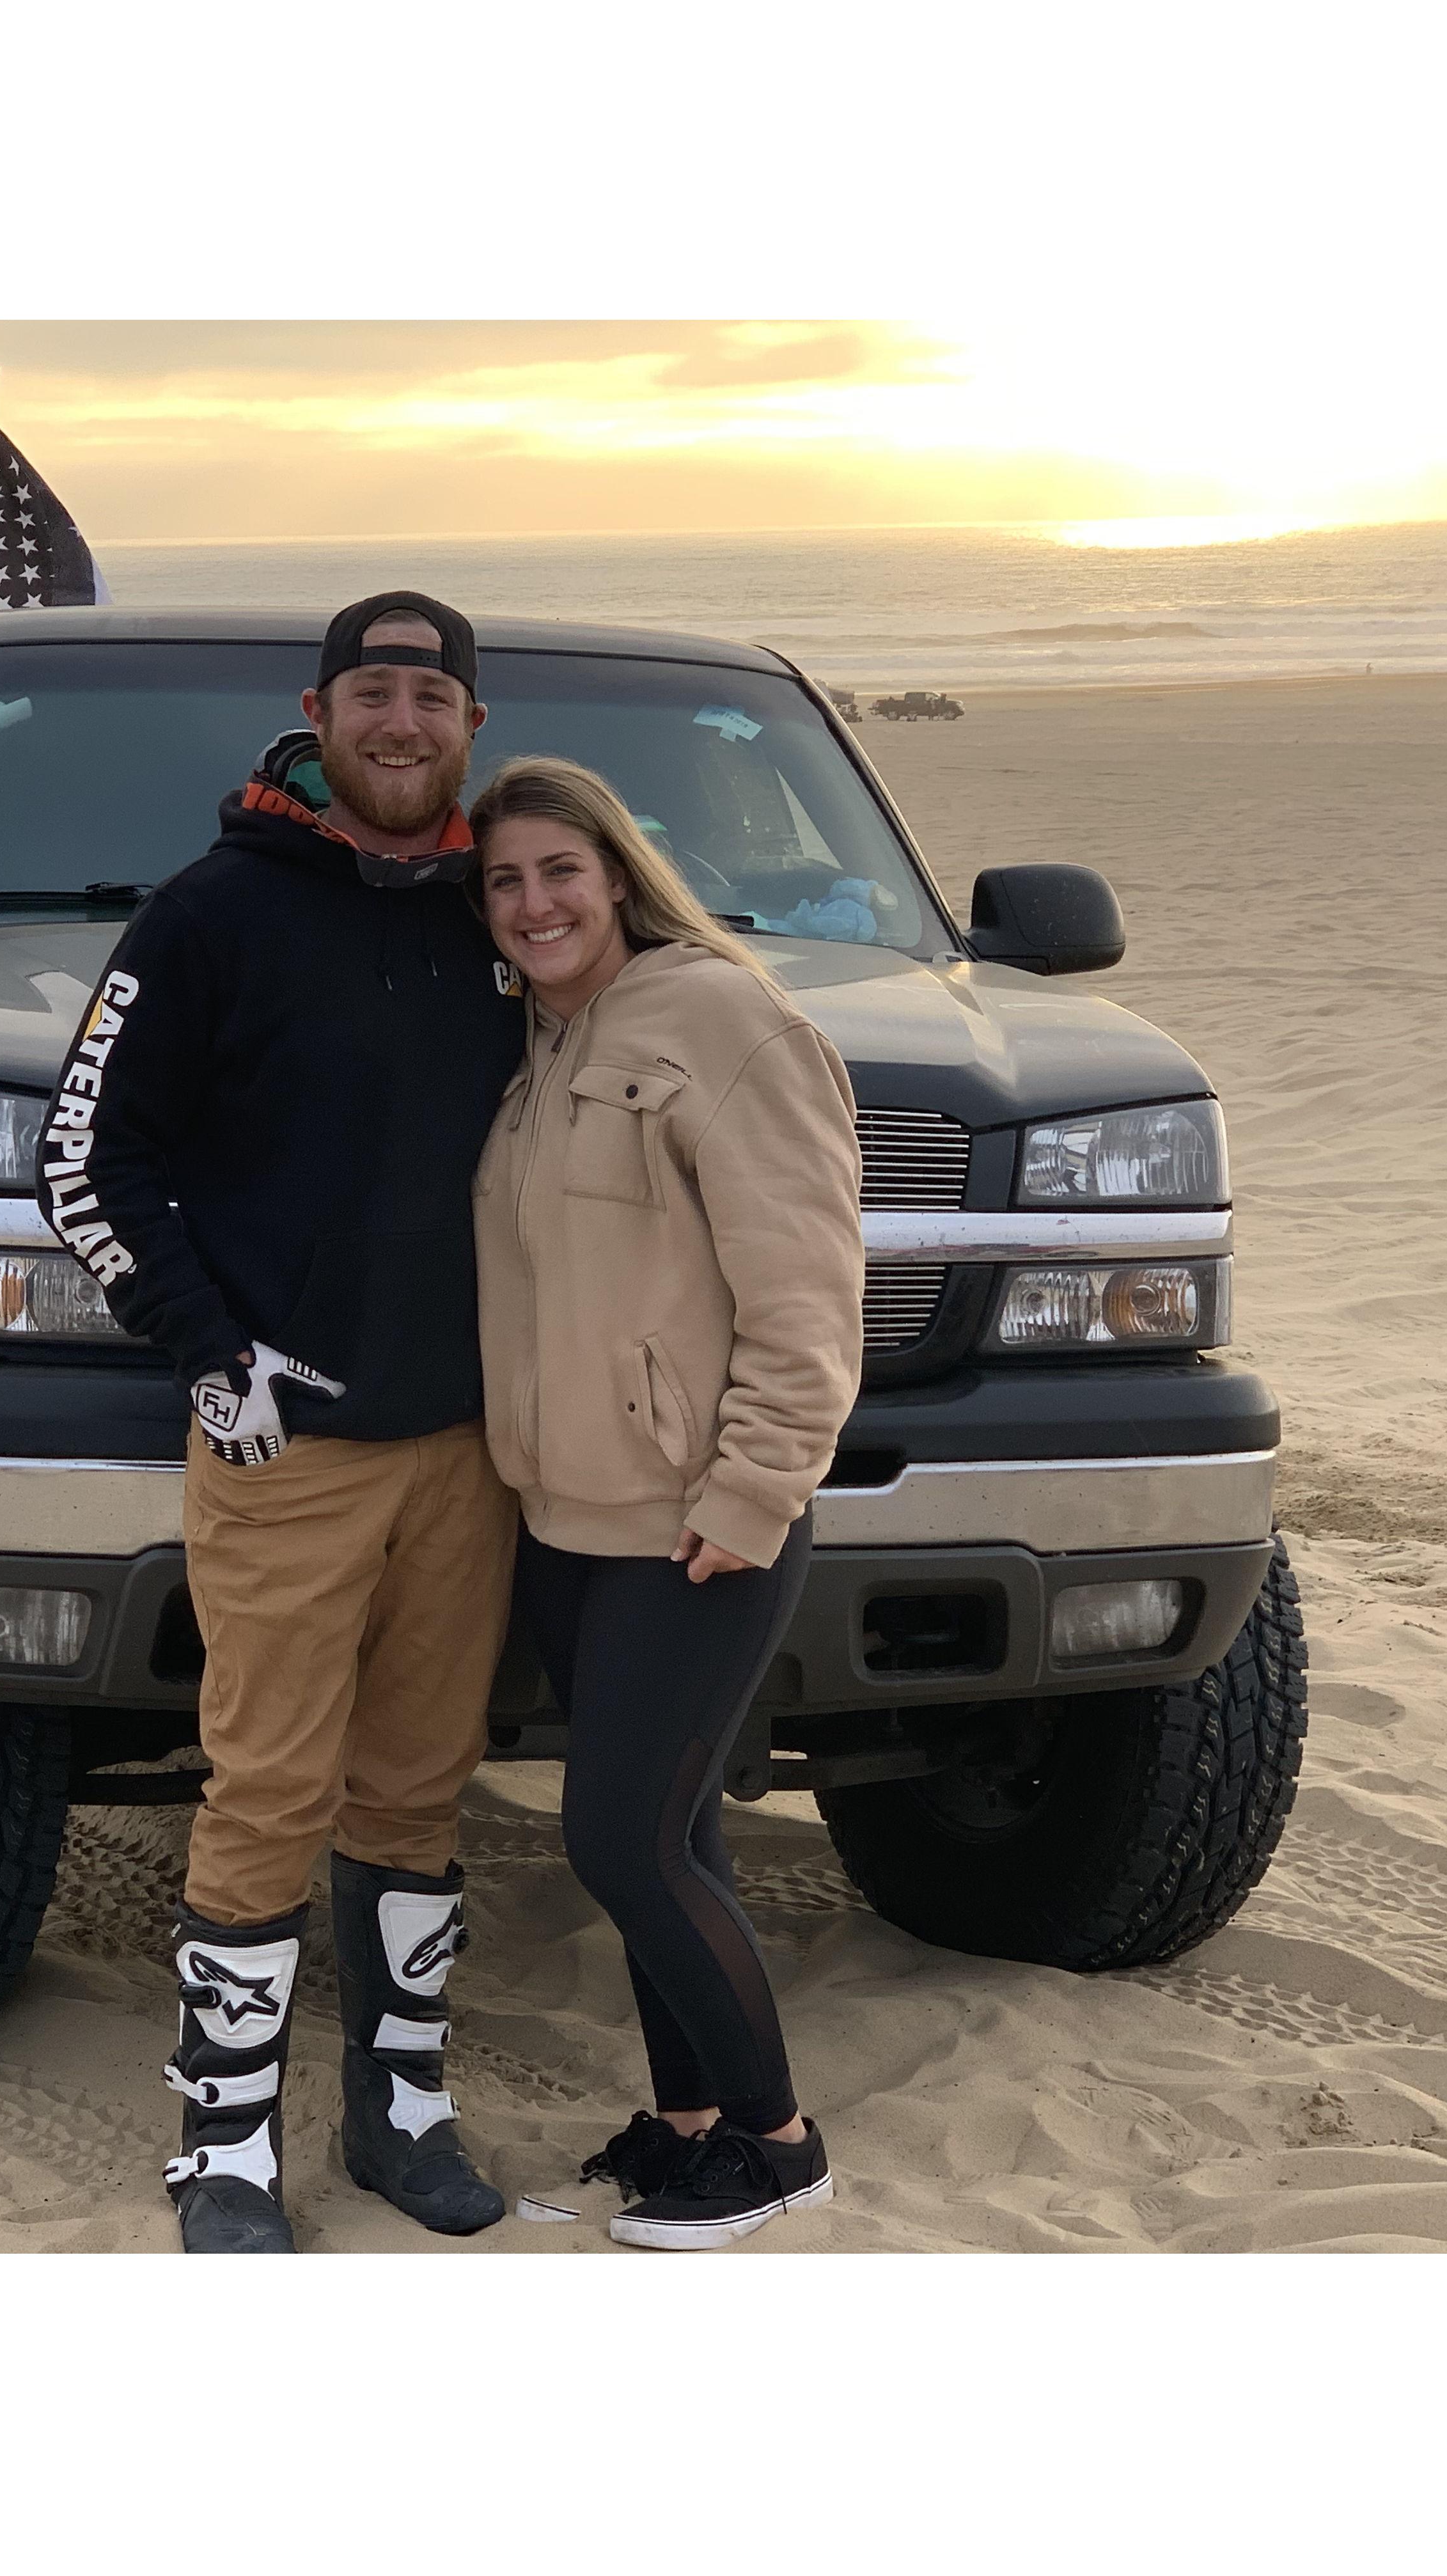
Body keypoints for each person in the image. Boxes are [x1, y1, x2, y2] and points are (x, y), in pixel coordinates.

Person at [42, 593, 523, 2255]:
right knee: (267, 1790)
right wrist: (206, 1349)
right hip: (285, 1449)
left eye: (434, 697)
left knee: (417, 1791)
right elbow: (85, 1158)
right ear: (319, 713)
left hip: (469, 1448)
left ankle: (400, 2117)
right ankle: (222, 2149)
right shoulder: (210, 915)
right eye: (374, 694)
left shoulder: (510, 914)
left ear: (473, 723)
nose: (403, 723)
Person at [467, 755, 864, 2249]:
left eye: (559, 873)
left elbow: (809, 1294)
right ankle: (688, 2125)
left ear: (618, 874)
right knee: (674, 1837)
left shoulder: (726, 1021)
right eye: (505, 882)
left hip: (696, 1526)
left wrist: (755, 1489)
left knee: (620, 1841)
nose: (533, 903)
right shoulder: (538, 1043)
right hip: (568, 1523)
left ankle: (778, 2143)